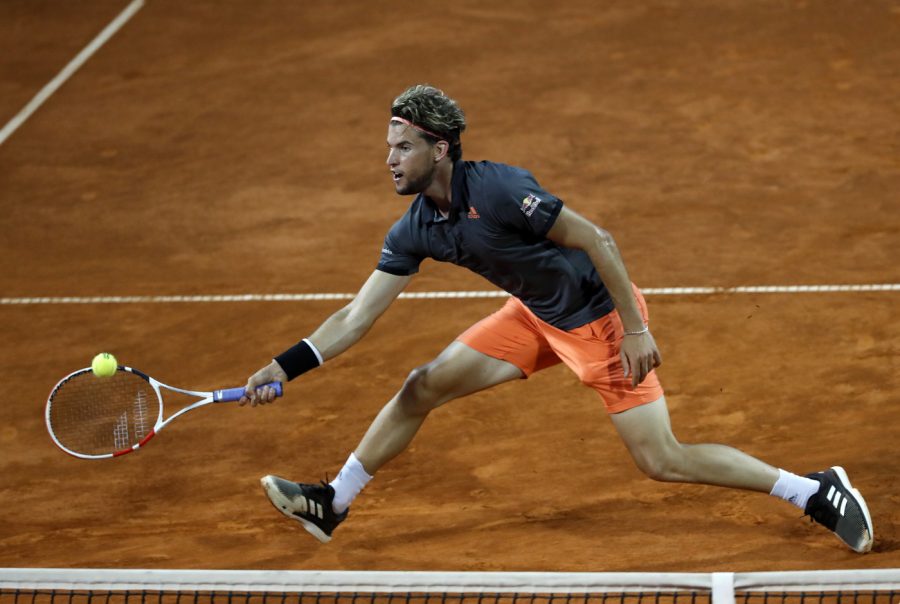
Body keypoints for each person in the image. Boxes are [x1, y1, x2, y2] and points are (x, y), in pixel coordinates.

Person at [240, 84, 873, 553]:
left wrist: (635, 329)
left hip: (599, 322)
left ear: (440, 148)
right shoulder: (416, 227)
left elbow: (597, 239)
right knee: (420, 387)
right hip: (534, 316)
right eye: (389, 147)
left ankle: (814, 491)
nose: (390, 159)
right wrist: (282, 367)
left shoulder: (498, 189)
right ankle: (334, 502)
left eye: (404, 147)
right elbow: (355, 316)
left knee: (661, 460)